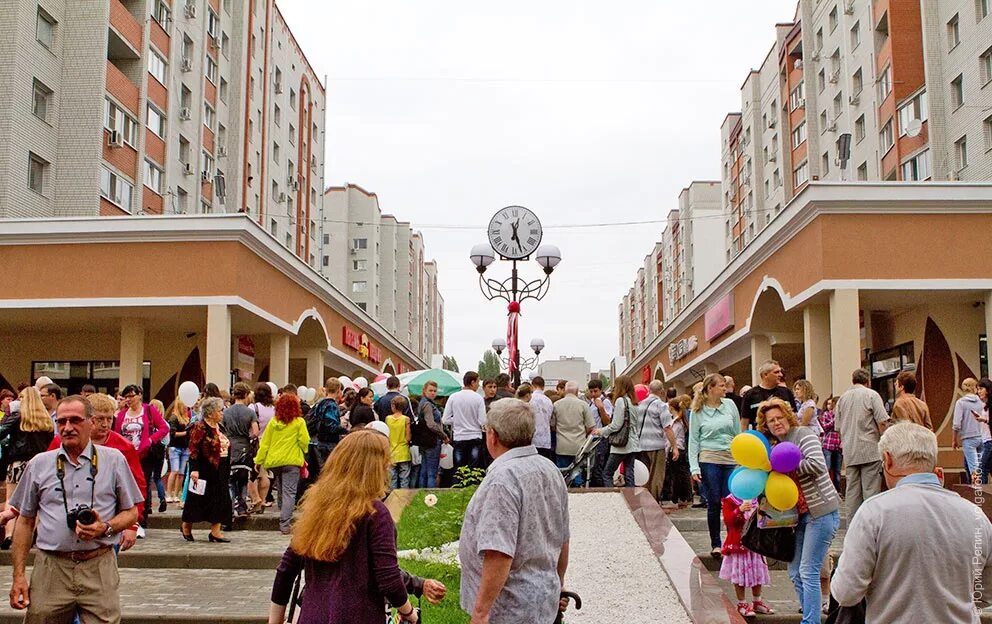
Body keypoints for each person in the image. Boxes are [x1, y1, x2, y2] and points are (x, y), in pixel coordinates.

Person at [268, 430, 446, 624]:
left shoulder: (317, 508)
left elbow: (286, 570)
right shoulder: (374, 513)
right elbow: (388, 577)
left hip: (313, 615)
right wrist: (409, 612)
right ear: (376, 467)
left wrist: (274, 621)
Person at [831, 422, 992, 622]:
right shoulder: (975, 516)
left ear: (888, 460)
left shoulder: (874, 512)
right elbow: (985, 593)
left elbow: (846, 592)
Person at [8, 395, 143, 623]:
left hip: (98, 565)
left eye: (75, 420)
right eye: (62, 421)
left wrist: (106, 527)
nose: (68, 427)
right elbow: (25, 521)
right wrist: (18, 576)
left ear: (91, 422)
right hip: (51, 568)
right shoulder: (39, 464)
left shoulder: (114, 460)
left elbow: (131, 512)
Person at [458, 398, 570, 624]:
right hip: (541, 599)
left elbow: (499, 553)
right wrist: (559, 582)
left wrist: (480, 612)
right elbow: (563, 538)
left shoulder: (502, 480)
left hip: (510, 609)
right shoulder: (550, 469)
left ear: (493, 435)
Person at [756, 398, 840, 624]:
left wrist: (784, 466)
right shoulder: (773, 446)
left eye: (779, 418)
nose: (776, 423)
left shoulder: (803, 434)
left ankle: (810, 621)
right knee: (795, 572)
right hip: (798, 516)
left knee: (808, 570)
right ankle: (808, 612)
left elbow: (818, 464)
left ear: (788, 416)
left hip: (821, 512)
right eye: (770, 420)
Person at [38, 393, 144, 553]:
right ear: (88, 419)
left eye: (109, 419)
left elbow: (137, 486)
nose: (105, 424)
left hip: (108, 526)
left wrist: (132, 525)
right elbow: (43, 476)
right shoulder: (61, 443)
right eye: (100, 419)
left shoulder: (123, 447)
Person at [686, 373, 739, 556]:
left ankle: (732, 540)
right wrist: (694, 466)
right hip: (709, 458)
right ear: (710, 389)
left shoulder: (730, 405)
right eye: (721, 386)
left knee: (731, 501)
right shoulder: (697, 411)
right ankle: (716, 543)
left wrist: (741, 459)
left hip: (730, 457)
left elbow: (737, 432)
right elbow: (693, 440)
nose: (725, 389)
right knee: (714, 502)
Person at [0, 387, 55, 548]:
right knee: (37, 500)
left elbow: (1, 432)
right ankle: (31, 535)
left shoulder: (18, 416)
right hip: (40, 464)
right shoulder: (46, 418)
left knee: (11, 498)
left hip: (17, 462)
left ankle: (9, 535)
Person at [835, 368, 890, 520]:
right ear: (868, 381)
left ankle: (853, 525)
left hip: (850, 450)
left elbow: (838, 427)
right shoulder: (872, 395)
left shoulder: (842, 399)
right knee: (870, 490)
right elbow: (882, 421)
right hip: (870, 449)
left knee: (852, 491)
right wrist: (883, 441)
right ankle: (871, 523)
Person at [114, 384, 168, 532]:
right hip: (126, 455)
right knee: (125, 484)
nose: (129, 399)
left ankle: (141, 518)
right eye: (126, 397)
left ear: (139, 395)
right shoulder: (121, 415)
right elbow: (117, 433)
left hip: (144, 454)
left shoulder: (149, 410)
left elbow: (164, 428)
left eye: (131, 396)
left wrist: (150, 440)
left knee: (142, 483)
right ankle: (126, 515)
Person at [254, 393, 310, 535]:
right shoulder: (299, 422)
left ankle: (281, 509)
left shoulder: (273, 422)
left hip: (274, 461)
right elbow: (305, 441)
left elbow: (265, 443)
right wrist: (303, 450)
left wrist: (258, 461)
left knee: (280, 487)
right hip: (292, 461)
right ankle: (284, 523)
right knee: (289, 492)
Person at [181, 397, 233, 542]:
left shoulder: (220, 427)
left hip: (220, 468)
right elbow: (194, 449)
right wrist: (194, 469)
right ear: (210, 413)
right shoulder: (200, 427)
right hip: (205, 469)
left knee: (220, 499)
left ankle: (215, 532)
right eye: (220, 410)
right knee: (197, 500)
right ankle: (186, 525)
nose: (222, 413)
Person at [719, 494, 774, 617]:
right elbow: (728, 521)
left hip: (756, 545)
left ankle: (757, 600)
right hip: (739, 545)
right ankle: (741, 603)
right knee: (739, 574)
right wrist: (739, 510)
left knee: (758, 572)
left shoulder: (759, 499)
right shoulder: (730, 500)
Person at [592, 374, 642, 488]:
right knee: (629, 474)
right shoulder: (634, 402)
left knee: (607, 473)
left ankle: (612, 499)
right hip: (633, 442)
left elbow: (616, 425)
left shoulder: (621, 401)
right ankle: (631, 499)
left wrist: (600, 431)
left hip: (621, 444)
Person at [638, 380, 677, 502]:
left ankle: (643, 499)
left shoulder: (640, 405)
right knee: (657, 475)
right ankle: (653, 501)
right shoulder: (661, 405)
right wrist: (674, 446)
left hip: (641, 445)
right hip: (656, 445)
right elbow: (667, 428)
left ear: (649, 390)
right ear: (662, 391)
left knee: (644, 475)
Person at [223, 382, 259, 517]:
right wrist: (248, 437)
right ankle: (242, 507)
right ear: (245, 395)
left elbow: (222, 429)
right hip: (244, 447)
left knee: (230, 480)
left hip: (230, 447)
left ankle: (229, 509)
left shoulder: (226, 412)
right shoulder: (250, 412)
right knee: (243, 479)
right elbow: (255, 431)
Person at [441, 371, 487, 469]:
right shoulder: (478, 398)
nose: (478, 385)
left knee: (459, 469)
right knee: (473, 468)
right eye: (478, 382)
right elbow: (482, 421)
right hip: (475, 436)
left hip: (459, 437)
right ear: (472, 382)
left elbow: (445, 419)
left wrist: (457, 420)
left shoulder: (453, 397)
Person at [552, 382, 595, 485]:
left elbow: (553, 425)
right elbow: (590, 426)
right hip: (578, 446)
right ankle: (578, 491)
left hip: (561, 446)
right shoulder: (583, 405)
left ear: (565, 391)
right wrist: (583, 433)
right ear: (576, 392)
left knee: (562, 475)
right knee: (577, 474)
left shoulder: (556, 405)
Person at [740, 361, 796, 430]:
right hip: (761, 438)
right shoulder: (749, 395)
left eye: (780, 372)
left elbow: (794, 418)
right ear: (765, 375)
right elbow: (744, 423)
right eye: (776, 372)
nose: (781, 375)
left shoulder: (787, 392)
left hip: (786, 437)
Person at [249, 382, 276, 512]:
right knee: (265, 475)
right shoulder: (273, 409)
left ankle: (256, 499)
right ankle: (263, 499)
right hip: (269, 443)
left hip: (255, 443)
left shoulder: (254, 408)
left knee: (253, 474)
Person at [414, 381, 447, 488]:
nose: (433, 393)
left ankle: (421, 495)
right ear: (424, 391)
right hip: (432, 441)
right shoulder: (428, 405)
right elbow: (431, 424)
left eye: (434, 391)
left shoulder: (423, 403)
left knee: (424, 469)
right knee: (431, 473)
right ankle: (430, 498)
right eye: (430, 390)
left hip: (424, 440)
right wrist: (443, 435)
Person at [953, 377, 985, 483]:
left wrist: (954, 439)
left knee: (974, 469)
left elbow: (957, 424)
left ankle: (977, 489)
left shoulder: (961, 403)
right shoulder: (981, 402)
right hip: (982, 437)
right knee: (978, 465)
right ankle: (977, 487)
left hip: (968, 438)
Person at [663, 395, 693, 508]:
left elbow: (671, 438)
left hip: (675, 449)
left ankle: (676, 498)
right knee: (681, 474)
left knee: (676, 476)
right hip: (680, 448)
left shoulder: (675, 422)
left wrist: (667, 451)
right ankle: (684, 497)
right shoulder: (681, 421)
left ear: (671, 407)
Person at [584, 378, 614, 487]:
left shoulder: (605, 402)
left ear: (601, 390)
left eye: (595, 391)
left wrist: (601, 408)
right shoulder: (590, 403)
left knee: (598, 466)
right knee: (592, 466)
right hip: (592, 438)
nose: (593, 394)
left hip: (601, 438)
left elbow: (607, 422)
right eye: (591, 391)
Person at [165, 399, 190, 504]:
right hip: (175, 447)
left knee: (181, 473)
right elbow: (172, 433)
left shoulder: (186, 417)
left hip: (184, 447)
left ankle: (176, 494)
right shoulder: (174, 418)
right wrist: (186, 433)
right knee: (174, 471)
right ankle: (169, 493)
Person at [386, 396, 412, 489]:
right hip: (403, 451)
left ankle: (392, 498)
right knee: (404, 478)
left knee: (392, 478)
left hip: (391, 451)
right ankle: (403, 498)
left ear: (393, 406)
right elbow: (408, 438)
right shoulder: (406, 419)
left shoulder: (388, 418)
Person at [818, 397, 842, 492]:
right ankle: (826, 490)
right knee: (827, 468)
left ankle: (837, 490)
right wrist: (835, 419)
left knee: (837, 470)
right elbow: (825, 427)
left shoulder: (842, 415)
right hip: (828, 445)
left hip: (838, 445)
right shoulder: (826, 415)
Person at [529, 376, 554, 461]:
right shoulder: (548, 401)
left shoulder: (529, 399)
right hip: (545, 439)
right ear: (543, 387)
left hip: (532, 439)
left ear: (532, 386)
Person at [976, 378, 992, 484]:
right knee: (988, 468)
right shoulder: (984, 406)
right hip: (986, 440)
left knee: (982, 468)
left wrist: (985, 420)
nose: (979, 391)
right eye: (978, 389)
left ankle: (983, 496)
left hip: (990, 442)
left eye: (981, 388)